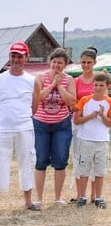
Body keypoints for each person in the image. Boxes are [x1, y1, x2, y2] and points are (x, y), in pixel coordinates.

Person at [0, 42, 36, 212]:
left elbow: (34, 106)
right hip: (3, 129)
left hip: (25, 127)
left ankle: (28, 200)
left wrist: (22, 118)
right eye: (13, 56)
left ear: (26, 58)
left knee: (27, 161)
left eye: (20, 56)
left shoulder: (32, 80)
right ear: (9, 57)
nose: (16, 59)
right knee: (0, 163)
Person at [32, 48, 77, 207]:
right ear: (50, 62)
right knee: (41, 160)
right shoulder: (39, 78)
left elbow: (71, 101)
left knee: (60, 160)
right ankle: (38, 198)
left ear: (65, 65)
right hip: (41, 124)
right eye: (54, 62)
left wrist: (60, 86)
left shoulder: (69, 79)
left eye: (60, 63)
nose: (57, 65)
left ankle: (58, 198)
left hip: (62, 124)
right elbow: (37, 98)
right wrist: (52, 85)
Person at [72, 70, 111, 208]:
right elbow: (77, 120)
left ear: (108, 86)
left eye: (101, 85)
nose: (98, 88)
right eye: (95, 85)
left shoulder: (109, 102)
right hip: (85, 139)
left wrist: (102, 115)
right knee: (84, 169)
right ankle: (82, 196)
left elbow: (109, 123)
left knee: (100, 170)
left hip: (102, 141)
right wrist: (90, 116)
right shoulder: (85, 100)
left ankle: (98, 196)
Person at [71, 47, 98, 202]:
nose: (86, 65)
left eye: (89, 62)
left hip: (97, 123)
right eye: (83, 62)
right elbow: (73, 103)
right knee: (78, 157)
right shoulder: (76, 81)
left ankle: (95, 194)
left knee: (95, 158)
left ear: (95, 62)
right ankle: (80, 193)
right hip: (79, 123)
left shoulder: (99, 80)